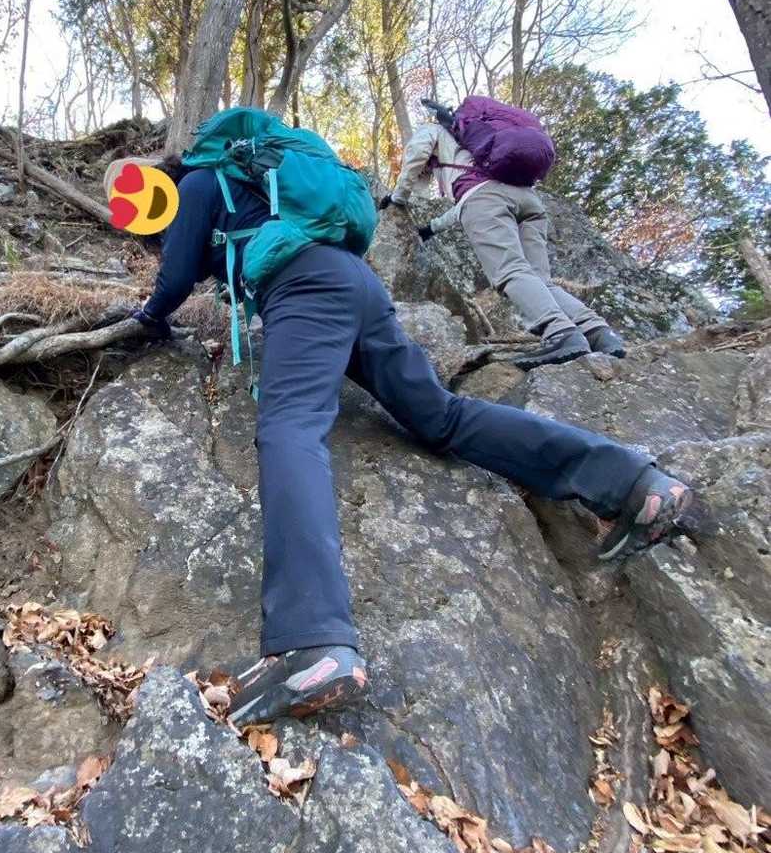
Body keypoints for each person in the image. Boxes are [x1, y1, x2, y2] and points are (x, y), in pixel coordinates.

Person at [132, 155, 692, 727]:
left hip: (304, 287)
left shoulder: (197, 183)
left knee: (290, 427)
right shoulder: (249, 191)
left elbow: (175, 279)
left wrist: (146, 318)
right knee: (440, 417)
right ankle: (632, 483)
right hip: (355, 283)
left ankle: (310, 640)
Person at [381, 100, 626, 369]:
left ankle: (560, 333)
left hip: (487, 200)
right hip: (530, 203)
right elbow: (469, 204)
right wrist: (432, 228)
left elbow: (432, 164)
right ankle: (598, 332)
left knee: (510, 271)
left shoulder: (434, 132)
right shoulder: (480, 143)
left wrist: (398, 197)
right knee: (540, 280)